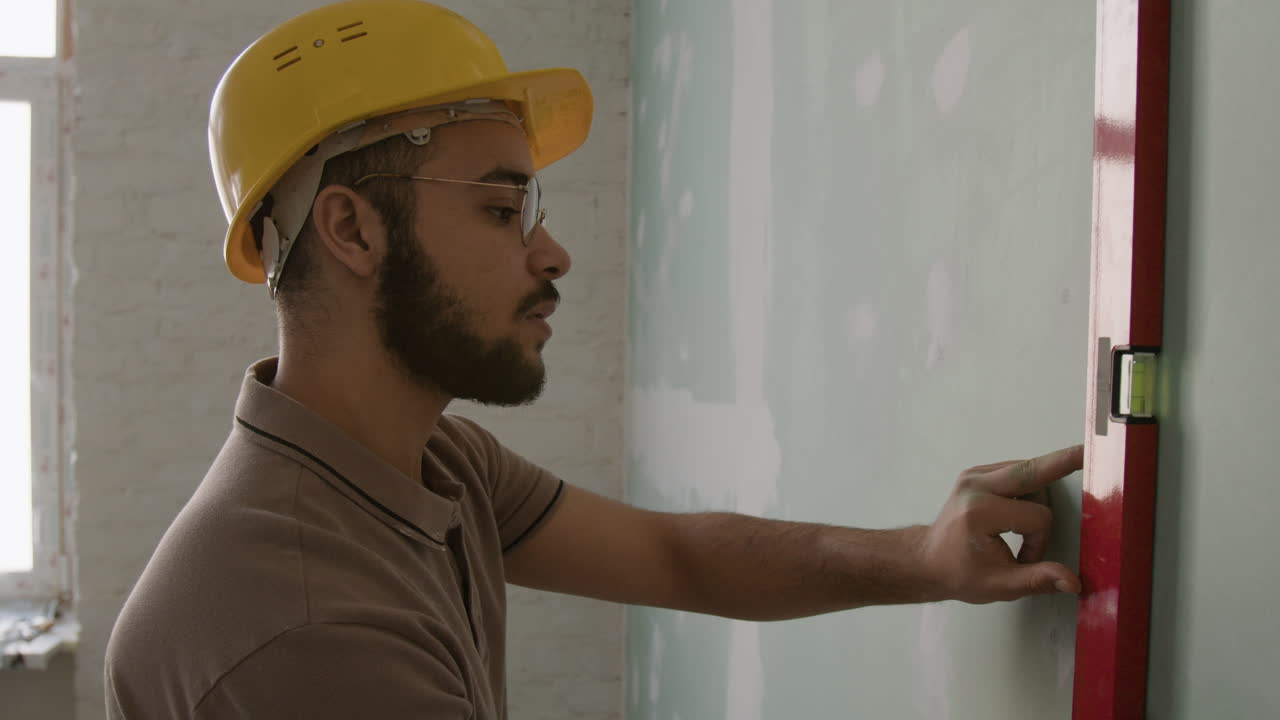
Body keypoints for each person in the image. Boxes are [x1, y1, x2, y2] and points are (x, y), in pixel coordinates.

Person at [104, 1, 1083, 717]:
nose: (551, 252)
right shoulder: (303, 629)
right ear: (353, 230)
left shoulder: (435, 463)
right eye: (500, 208)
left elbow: (677, 557)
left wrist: (918, 554)